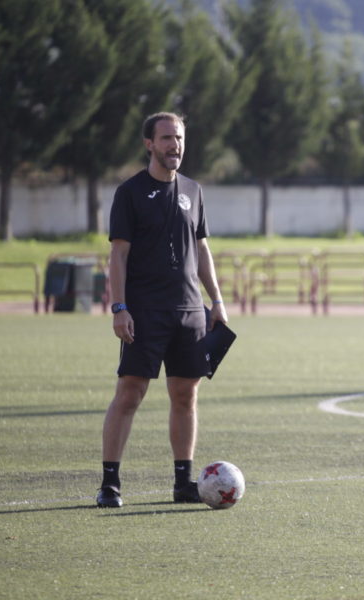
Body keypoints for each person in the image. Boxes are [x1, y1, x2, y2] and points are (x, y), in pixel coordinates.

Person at [96, 111, 228, 508]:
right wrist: (120, 307)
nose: (175, 146)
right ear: (149, 144)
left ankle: (183, 482)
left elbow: (201, 249)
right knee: (130, 393)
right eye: (167, 138)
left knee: (186, 395)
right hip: (145, 311)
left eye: (180, 138)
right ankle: (110, 484)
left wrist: (217, 301)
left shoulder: (194, 190)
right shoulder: (130, 192)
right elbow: (118, 255)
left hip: (190, 311)